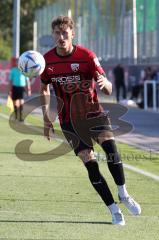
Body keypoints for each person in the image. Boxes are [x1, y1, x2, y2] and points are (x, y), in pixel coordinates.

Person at [40, 16, 141, 225]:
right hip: (69, 121)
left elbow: (109, 88)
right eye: (57, 33)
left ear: (72, 34)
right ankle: (114, 210)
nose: (61, 37)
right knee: (91, 164)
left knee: (112, 151)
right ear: (53, 35)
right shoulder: (47, 61)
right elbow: (43, 86)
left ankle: (123, 193)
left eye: (64, 33)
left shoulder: (86, 56)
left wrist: (105, 84)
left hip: (94, 114)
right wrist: (46, 118)